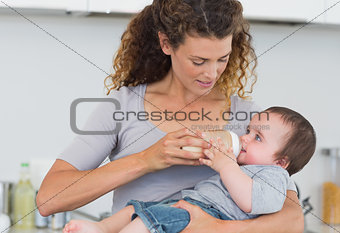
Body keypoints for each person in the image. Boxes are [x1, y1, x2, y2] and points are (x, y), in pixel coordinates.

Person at [36, 0, 305, 232]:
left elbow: (292, 220)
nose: (211, 74)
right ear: (166, 43)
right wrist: (146, 159)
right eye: (198, 61)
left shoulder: (249, 119)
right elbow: (49, 199)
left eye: (222, 59)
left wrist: (218, 229)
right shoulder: (122, 107)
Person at [62, 106, 316, 233]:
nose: (245, 138)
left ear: (282, 162)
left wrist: (225, 164)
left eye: (258, 138)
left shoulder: (274, 176)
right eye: (248, 131)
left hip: (211, 214)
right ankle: (103, 228)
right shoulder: (244, 163)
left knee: (153, 218)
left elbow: (250, 202)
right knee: (137, 208)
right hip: (187, 202)